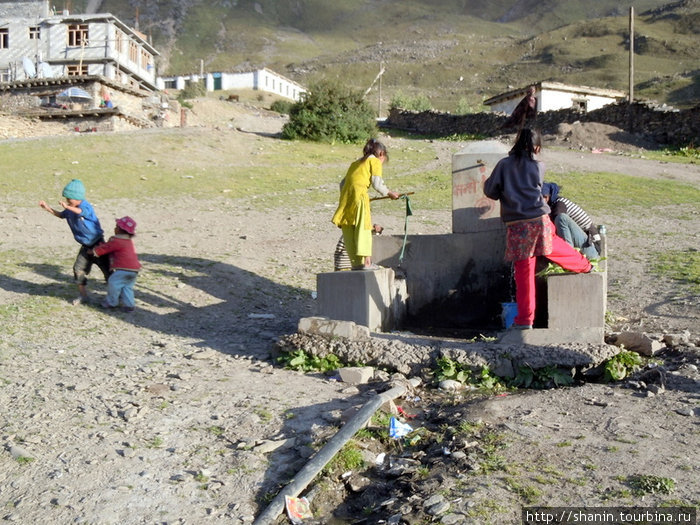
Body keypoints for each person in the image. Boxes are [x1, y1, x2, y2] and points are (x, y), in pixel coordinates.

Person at [483, 129, 592, 329]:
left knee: (524, 272)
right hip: (539, 218)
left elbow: (491, 191)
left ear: (515, 144)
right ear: (537, 148)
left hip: (517, 224)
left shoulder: (503, 165)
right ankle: (585, 266)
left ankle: (525, 321)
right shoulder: (538, 166)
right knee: (555, 247)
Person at [39, 179, 111, 305]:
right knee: (78, 269)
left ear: (77, 198)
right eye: (66, 199)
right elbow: (61, 215)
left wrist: (68, 207)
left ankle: (115, 296)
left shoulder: (85, 206)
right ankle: (83, 296)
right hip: (85, 246)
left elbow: (81, 212)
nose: (67, 201)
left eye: (69, 198)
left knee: (108, 271)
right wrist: (48, 208)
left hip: (98, 245)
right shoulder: (70, 208)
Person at [331, 139, 400, 270]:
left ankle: (356, 264)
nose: (382, 163)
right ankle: (367, 263)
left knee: (349, 229)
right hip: (360, 198)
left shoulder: (356, 163)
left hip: (346, 200)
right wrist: (389, 193)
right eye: (383, 160)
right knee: (364, 228)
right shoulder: (374, 161)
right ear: (381, 154)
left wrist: (351, 195)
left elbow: (343, 183)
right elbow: (377, 184)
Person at [90, 216, 141, 312]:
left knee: (113, 283)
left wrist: (94, 251)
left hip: (123, 268)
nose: (115, 228)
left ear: (120, 230)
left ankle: (111, 302)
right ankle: (129, 305)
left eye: (116, 227)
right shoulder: (128, 241)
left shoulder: (117, 241)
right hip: (134, 269)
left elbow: (106, 248)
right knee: (127, 287)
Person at [541, 182, 600, 260]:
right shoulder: (554, 204)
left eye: (544, 197)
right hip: (586, 245)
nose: (542, 200)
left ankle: (569, 256)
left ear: (550, 195)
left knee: (561, 218)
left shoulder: (560, 205)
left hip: (592, 250)